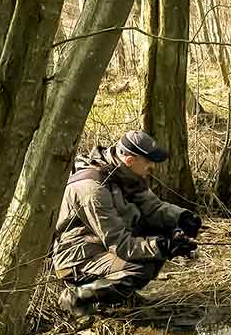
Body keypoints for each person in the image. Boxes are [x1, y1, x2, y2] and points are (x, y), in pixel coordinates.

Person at [52, 130, 202, 317]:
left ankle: (122, 295)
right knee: (139, 268)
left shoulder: (125, 173)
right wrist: (164, 246)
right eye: (148, 161)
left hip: (102, 244)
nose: (152, 167)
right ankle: (75, 297)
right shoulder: (93, 189)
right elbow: (120, 244)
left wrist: (182, 218)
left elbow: (153, 208)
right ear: (130, 160)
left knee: (164, 231)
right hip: (78, 256)